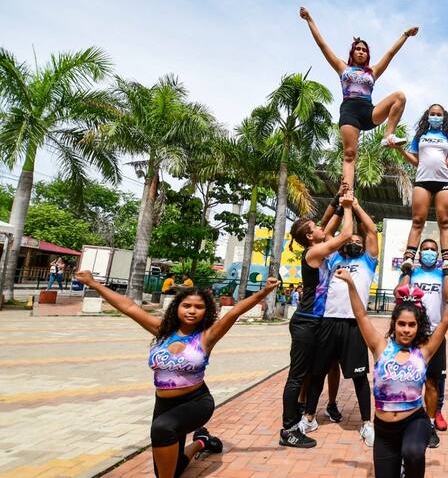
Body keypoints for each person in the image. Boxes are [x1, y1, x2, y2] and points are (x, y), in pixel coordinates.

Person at [74, 269, 281, 478]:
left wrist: (263, 292)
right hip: (163, 405)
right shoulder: (162, 331)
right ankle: (202, 442)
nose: (192, 311)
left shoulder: (206, 337)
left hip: (196, 402)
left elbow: (234, 312)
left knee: (162, 430)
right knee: (169, 469)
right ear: (177, 307)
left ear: (206, 311)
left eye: (199, 307)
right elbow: (128, 307)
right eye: (187, 305)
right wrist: (94, 284)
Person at [336, 267, 448, 478]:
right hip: (384, 430)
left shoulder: (424, 351)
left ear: (419, 327)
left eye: (411, 325)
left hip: (414, 422)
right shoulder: (380, 346)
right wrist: (351, 284)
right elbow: (360, 314)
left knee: (414, 453)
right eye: (401, 324)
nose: (406, 329)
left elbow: (445, 320)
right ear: (394, 324)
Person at [299, 6, 418, 188]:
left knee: (399, 97)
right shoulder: (342, 67)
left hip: (369, 112)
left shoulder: (373, 71)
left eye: (364, 50)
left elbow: (390, 54)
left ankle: (388, 135)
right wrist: (309, 20)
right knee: (349, 154)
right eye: (358, 49)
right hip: (350, 112)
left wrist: (405, 35)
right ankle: (347, 190)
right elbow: (323, 45)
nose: (361, 52)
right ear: (353, 52)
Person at [279, 191, 354, 449]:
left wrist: (338, 197)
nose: (321, 228)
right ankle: (288, 428)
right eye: (315, 228)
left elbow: (327, 223)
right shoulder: (313, 253)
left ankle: (299, 414)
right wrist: (348, 208)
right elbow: (344, 235)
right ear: (310, 236)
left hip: (316, 322)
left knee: (310, 373)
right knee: (297, 376)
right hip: (306, 322)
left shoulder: (317, 246)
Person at [302, 197, 379, 446]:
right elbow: (330, 234)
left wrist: (355, 205)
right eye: (352, 241)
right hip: (328, 323)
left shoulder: (367, 261)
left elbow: (372, 230)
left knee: (359, 377)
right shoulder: (335, 259)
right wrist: (343, 206)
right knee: (318, 373)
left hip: (354, 325)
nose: (355, 243)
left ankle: (367, 423)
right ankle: (310, 417)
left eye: (359, 242)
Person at [392, 104, 448, 271]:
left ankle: (447, 259)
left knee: (444, 221)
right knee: (417, 221)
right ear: (427, 116)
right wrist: (400, 149)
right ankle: (408, 258)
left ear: (444, 117)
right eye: (433, 114)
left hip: (444, 181)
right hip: (423, 180)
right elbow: (416, 162)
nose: (436, 116)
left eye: (439, 114)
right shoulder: (420, 136)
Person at [396, 238, 448, 447]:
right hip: (413, 335)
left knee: (432, 383)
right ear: (419, 254)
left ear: (438, 255)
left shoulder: (444, 274)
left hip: (435, 335)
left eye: (433, 250)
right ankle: (406, 420)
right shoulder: (412, 272)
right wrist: (406, 271)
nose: (429, 252)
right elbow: (399, 294)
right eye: (426, 250)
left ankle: (430, 425)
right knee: (407, 381)